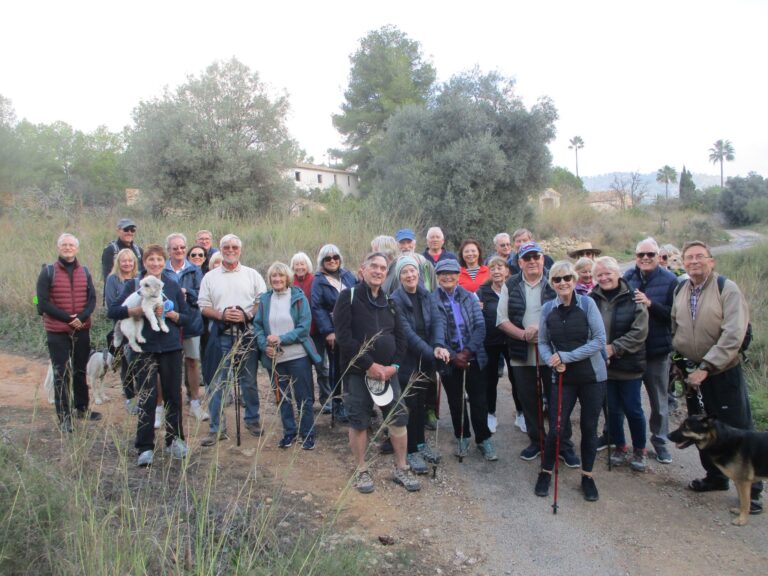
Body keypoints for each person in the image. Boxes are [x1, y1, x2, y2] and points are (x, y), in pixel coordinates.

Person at [671, 241, 763, 514]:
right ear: (683, 263)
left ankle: (753, 491)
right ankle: (715, 476)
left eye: (700, 256)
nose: (694, 261)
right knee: (701, 428)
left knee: (737, 429)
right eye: (689, 258)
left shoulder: (727, 289)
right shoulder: (681, 289)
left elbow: (734, 333)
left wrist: (707, 367)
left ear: (711, 261)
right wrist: (679, 362)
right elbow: (675, 328)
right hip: (692, 375)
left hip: (722, 372)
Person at [333, 252, 420, 493]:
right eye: (374, 266)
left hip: (389, 374)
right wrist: (369, 365)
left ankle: (401, 468)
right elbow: (344, 338)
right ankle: (361, 470)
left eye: (383, 268)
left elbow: (401, 338)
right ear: (363, 269)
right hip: (358, 373)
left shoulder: (390, 302)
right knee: (359, 421)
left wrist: (395, 366)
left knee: (398, 418)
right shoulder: (348, 297)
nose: (379, 271)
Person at [108, 244, 191, 466]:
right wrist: (134, 311)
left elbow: (186, 318)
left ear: (165, 262)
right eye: (151, 260)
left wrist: (171, 314)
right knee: (147, 396)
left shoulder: (172, 285)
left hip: (171, 348)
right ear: (144, 263)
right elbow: (113, 311)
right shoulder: (133, 285)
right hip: (144, 350)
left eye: (159, 259)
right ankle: (145, 447)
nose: (155, 263)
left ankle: (175, 440)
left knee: (173, 396)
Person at [496, 242, 577, 465]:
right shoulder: (510, 284)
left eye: (536, 257)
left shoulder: (556, 280)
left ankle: (563, 444)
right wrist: (523, 335)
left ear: (542, 259)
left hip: (553, 353)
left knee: (558, 400)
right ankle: (537, 441)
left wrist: (543, 331)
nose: (532, 261)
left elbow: (568, 312)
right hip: (521, 352)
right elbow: (501, 320)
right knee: (529, 400)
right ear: (520, 262)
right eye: (527, 258)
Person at [536, 261, 607, 502]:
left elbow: (599, 340)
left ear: (574, 280)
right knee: (557, 427)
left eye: (567, 277)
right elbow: (543, 342)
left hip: (592, 377)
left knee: (589, 426)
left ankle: (587, 476)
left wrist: (566, 356)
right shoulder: (548, 309)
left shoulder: (587, 304)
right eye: (557, 279)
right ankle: (546, 471)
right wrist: (551, 361)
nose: (563, 282)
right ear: (552, 284)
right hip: (562, 377)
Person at [197, 234, 267, 446]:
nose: (230, 250)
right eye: (226, 247)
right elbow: (203, 306)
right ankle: (217, 428)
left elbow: (262, 301)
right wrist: (222, 315)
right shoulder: (210, 277)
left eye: (234, 247)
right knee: (216, 382)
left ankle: (252, 420)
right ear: (220, 249)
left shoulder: (252, 274)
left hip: (246, 334)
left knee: (249, 381)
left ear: (240, 250)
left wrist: (247, 314)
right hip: (220, 335)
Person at [431, 259, 497, 461]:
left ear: (458, 275)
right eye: (443, 273)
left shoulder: (469, 296)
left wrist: (467, 352)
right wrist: (453, 356)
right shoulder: (432, 300)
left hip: (473, 357)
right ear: (437, 277)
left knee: (479, 400)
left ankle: (483, 438)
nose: (448, 276)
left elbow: (480, 326)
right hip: (448, 359)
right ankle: (462, 436)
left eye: (452, 272)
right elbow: (435, 332)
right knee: (455, 401)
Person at [590, 256, 649, 471]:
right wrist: (599, 350)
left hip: (629, 365)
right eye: (600, 274)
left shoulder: (635, 298)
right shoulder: (591, 299)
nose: (604, 278)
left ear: (618, 274)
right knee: (612, 410)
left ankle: (640, 449)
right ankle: (619, 446)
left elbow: (639, 332)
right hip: (604, 366)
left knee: (633, 409)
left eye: (608, 273)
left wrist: (614, 348)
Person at [622, 237, 678, 463]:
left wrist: (651, 304)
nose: (645, 258)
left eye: (650, 254)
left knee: (658, 400)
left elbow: (674, 316)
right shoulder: (628, 277)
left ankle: (661, 441)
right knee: (627, 398)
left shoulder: (670, 280)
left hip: (657, 350)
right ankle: (624, 440)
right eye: (640, 255)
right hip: (632, 351)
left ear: (658, 256)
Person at [254, 262, 320, 450]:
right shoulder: (265, 299)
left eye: (281, 276)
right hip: (275, 358)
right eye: (273, 276)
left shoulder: (298, 298)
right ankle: (289, 432)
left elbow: (303, 328)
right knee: (281, 397)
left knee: (303, 397)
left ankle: (307, 434)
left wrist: (281, 339)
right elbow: (258, 326)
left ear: (287, 278)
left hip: (298, 356)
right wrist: (264, 345)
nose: (277, 279)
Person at [37, 233, 99, 432]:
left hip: (81, 329)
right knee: (61, 373)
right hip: (57, 331)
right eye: (64, 244)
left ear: (77, 248)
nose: (68, 247)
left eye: (71, 245)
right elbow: (42, 302)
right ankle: (64, 417)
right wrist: (68, 319)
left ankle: (82, 408)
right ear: (58, 247)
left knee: (80, 370)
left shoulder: (85, 271)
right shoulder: (48, 272)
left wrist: (82, 317)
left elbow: (92, 299)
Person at [390, 256, 442, 474]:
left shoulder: (426, 294)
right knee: (409, 404)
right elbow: (407, 333)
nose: (410, 275)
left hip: (426, 358)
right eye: (405, 272)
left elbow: (437, 321)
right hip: (408, 359)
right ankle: (410, 450)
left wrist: (438, 345)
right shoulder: (395, 300)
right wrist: (431, 353)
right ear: (399, 277)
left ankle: (420, 443)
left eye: (412, 271)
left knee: (421, 402)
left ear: (418, 273)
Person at [311, 244, 356, 421]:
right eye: (328, 258)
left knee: (355, 365)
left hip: (353, 328)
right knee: (336, 367)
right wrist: (329, 331)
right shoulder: (319, 280)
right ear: (322, 261)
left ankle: (354, 402)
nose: (332, 261)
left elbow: (359, 294)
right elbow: (317, 307)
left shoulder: (348, 275)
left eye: (335, 257)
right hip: (335, 331)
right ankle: (337, 404)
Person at [166, 233, 208, 422]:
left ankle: (195, 403)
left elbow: (202, 294)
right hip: (167, 324)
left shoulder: (194, 270)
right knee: (169, 364)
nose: (179, 251)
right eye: (175, 248)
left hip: (190, 322)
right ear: (169, 250)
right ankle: (167, 405)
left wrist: (186, 292)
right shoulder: (163, 269)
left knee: (192, 362)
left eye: (182, 247)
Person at [478, 256, 521, 434]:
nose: (496, 271)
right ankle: (490, 413)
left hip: (513, 340)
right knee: (490, 379)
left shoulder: (515, 289)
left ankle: (521, 413)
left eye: (500, 267)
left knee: (517, 378)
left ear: (507, 271)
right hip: (491, 342)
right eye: (492, 268)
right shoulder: (482, 291)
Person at [105, 248, 139, 414]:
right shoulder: (113, 279)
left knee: (141, 362)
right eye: (123, 261)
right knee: (127, 364)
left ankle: (143, 397)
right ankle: (130, 398)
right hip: (122, 327)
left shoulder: (139, 279)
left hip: (139, 326)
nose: (127, 264)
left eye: (130, 260)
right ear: (118, 262)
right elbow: (111, 304)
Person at [101, 218, 143, 291]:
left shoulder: (139, 251)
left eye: (132, 230)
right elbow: (107, 277)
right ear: (118, 231)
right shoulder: (110, 250)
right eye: (126, 229)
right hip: (117, 293)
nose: (129, 232)